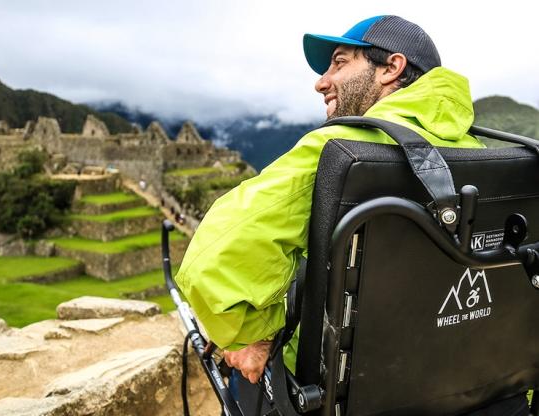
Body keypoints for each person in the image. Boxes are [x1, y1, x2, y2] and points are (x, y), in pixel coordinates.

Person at [175, 15, 486, 386]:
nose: (321, 82)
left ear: (391, 68)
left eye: (339, 63)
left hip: (337, 389)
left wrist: (249, 337)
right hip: (452, 378)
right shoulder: (481, 154)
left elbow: (212, 260)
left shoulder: (337, 150)